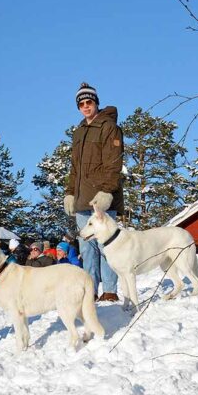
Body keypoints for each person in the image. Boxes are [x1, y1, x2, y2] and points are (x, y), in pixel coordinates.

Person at [64, 82, 124, 301]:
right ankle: (91, 291)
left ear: (96, 103)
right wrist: (70, 192)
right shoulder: (78, 132)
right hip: (82, 200)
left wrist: (107, 191)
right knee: (87, 247)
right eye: (82, 103)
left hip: (102, 198)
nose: (86, 106)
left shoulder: (109, 127)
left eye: (89, 102)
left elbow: (114, 162)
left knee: (106, 245)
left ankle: (109, 291)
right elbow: (74, 168)